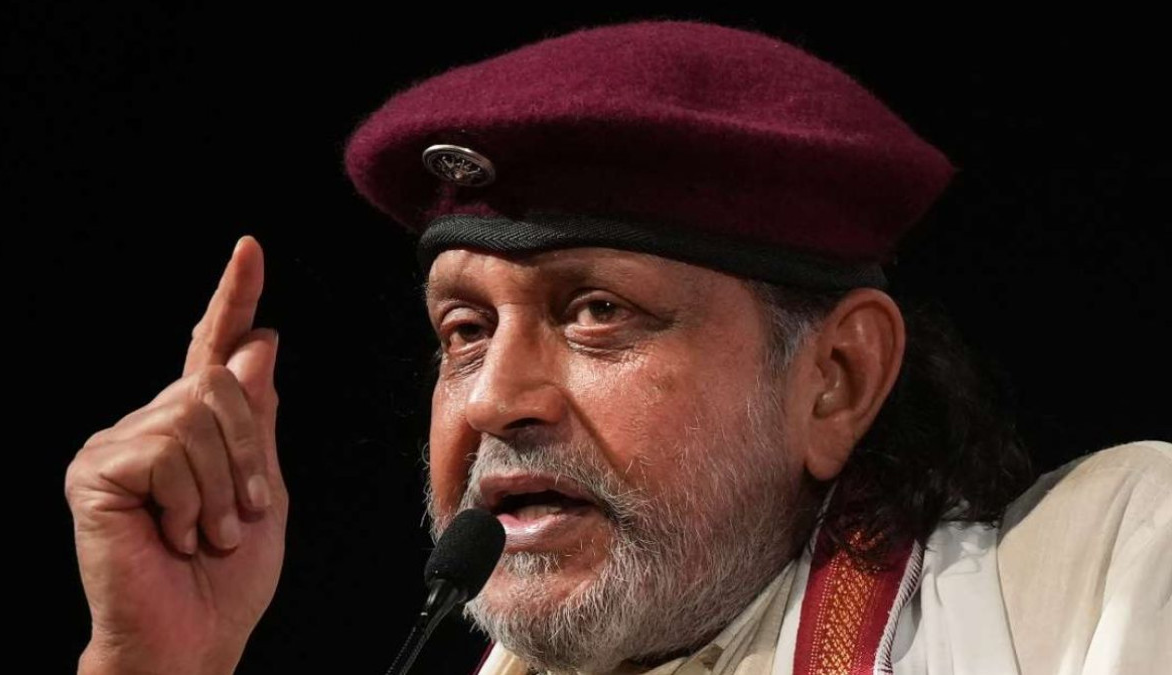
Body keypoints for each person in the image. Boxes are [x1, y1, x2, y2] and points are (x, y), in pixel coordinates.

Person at [65, 18, 1170, 675]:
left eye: (597, 310)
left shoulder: (1108, 570)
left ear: (834, 382)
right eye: (464, 329)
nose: (493, 399)